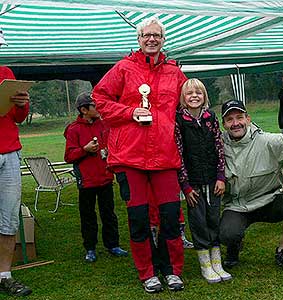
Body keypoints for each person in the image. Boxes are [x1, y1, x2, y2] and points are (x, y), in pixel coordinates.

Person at [92, 16, 186, 293]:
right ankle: (147, 273)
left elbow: (190, 101)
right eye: (147, 35)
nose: (152, 39)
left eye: (156, 35)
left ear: (163, 39)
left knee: (171, 216)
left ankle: (172, 270)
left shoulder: (174, 72)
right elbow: (100, 100)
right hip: (130, 158)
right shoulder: (123, 68)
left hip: (165, 157)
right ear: (139, 39)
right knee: (139, 219)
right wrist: (130, 112)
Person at [219, 99, 283, 273]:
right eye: (229, 120)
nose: (235, 123)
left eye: (239, 117)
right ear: (224, 124)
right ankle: (234, 245)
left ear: (248, 119)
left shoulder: (268, 141)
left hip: (269, 199)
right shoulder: (219, 146)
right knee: (227, 234)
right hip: (237, 205)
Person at [175, 78, 231, 283]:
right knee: (198, 221)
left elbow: (219, 147)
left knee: (213, 218)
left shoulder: (211, 117)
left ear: (204, 96)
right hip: (193, 184)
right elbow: (178, 155)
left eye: (198, 92)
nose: (194, 96)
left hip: (213, 180)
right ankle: (205, 264)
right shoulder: (179, 120)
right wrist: (186, 186)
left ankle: (217, 261)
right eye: (189, 93)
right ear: (183, 97)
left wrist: (221, 177)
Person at [64, 92, 128, 263]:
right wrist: (84, 149)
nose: (98, 108)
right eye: (94, 105)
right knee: (88, 216)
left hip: (105, 178)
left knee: (109, 213)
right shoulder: (73, 129)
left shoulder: (104, 124)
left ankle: (113, 245)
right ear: (84, 110)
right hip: (86, 182)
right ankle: (90, 248)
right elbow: (69, 156)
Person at [0, 29, 32, 297]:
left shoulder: (6, 72)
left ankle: (5, 275)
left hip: (10, 152)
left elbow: (18, 117)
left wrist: (22, 104)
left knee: (9, 217)